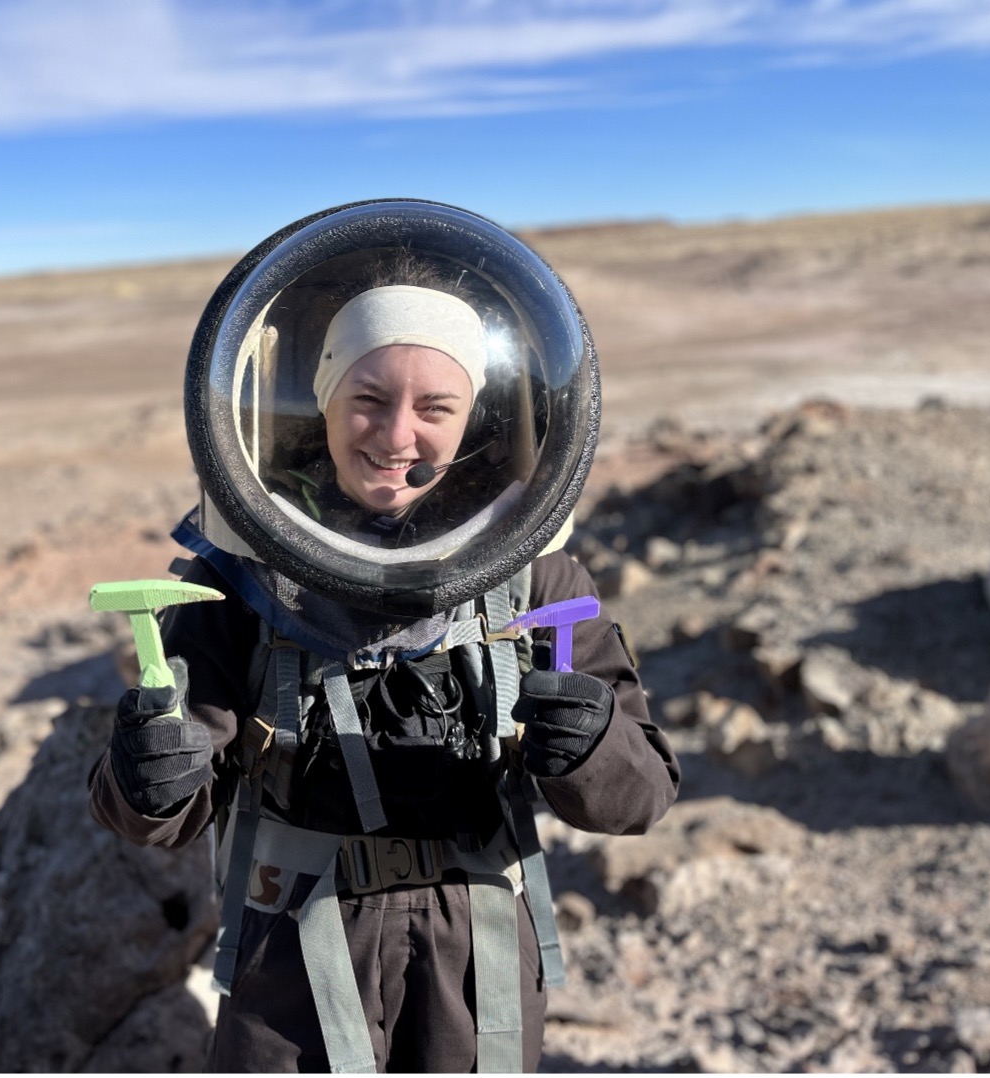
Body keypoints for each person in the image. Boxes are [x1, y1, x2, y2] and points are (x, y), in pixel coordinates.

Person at [89, 202, 680, 1073]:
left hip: (476, 962)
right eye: (369, 399)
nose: (399, 435)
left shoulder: (533, 574)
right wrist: (146, 778)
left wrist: (592, 744)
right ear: (323, 402)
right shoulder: (240, 576)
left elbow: (645, 793)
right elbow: (163, 812)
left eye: (436, 406)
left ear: (474, 415)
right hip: (290, 954)